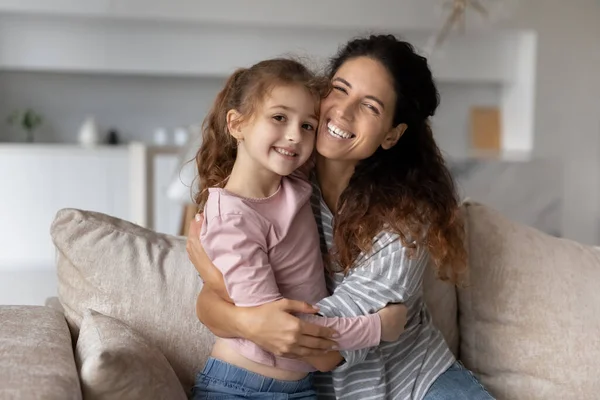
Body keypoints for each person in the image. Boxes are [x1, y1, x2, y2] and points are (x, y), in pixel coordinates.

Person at [188, 35, 495, 399]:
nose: (343, 112)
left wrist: (240, 308)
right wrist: (247, 318)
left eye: (371, 107)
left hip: (413, 384)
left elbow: (325, 350)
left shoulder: (405, 217)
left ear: (392, 135)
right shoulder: (283, 180)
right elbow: (209, 304)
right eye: (339, 89)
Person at [191, 57, 408, 400]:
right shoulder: (232, 219)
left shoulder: (294, 184)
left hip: (299, 387)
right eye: (279, 117)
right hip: (241, 388)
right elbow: (281, 330)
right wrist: (377, 328)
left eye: (308, 125)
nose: (294, 136)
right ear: (236, 124)